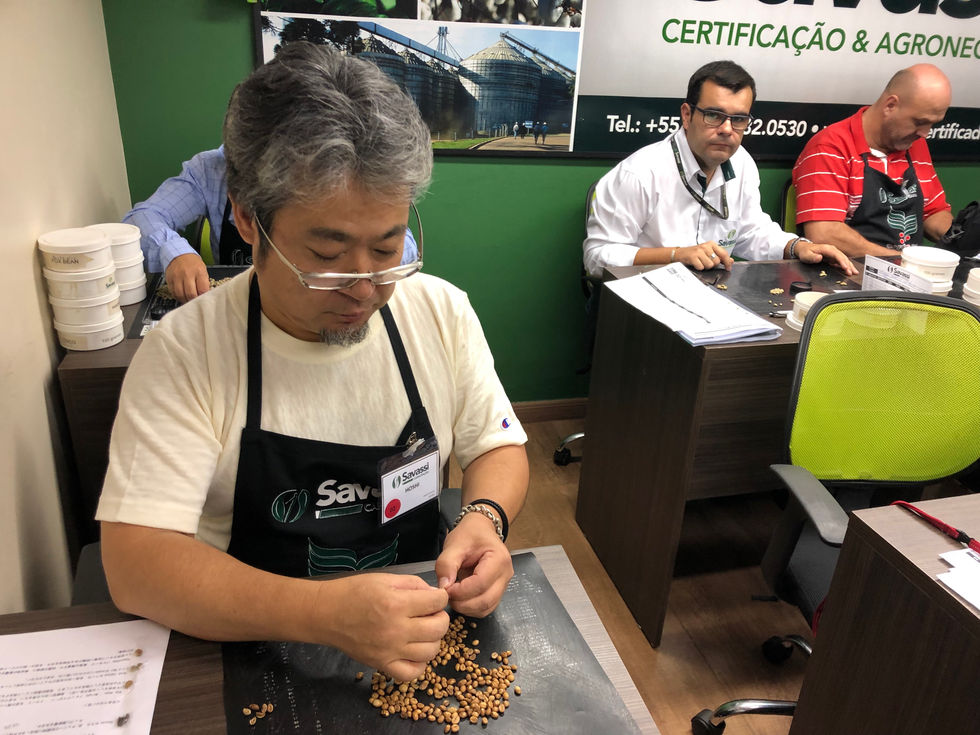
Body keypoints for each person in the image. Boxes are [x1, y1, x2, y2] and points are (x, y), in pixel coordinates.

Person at [97, 42, 529, 683]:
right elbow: (137, 566)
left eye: (387, 248)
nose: (365, 288)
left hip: (419, 634)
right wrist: (323, 614)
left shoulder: (440, 312)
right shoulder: (187, 351)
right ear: (248, 219)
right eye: (327, 256)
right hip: (247, 645)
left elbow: (498, 446)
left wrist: (484, 519)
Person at [583, 61, 855, 279]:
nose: (727, 129)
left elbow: (750, 232)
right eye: (714, 115)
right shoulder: (640, 173)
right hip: (638, 301)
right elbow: (596, 257)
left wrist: (798, 247)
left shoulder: (742, 163)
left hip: (708, 293)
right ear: (687, 115)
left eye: (738, 119)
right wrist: (675, 255)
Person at [124, 147, 419, 303]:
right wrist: (174, 252)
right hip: (236, 306)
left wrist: (373, 261)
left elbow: (402, 244)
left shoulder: (329, 172)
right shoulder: (210, 169)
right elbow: (143, 217)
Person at [792, 64, 953, 256]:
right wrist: (903, 262)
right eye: (919, 122)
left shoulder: (915, 144)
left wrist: (961, 238)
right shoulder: (830, 147)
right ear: (890, 105)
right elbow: (824, 233)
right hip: (849, 270)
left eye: (933, 124)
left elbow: (933, 213)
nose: (925, 133)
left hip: (910, 269)